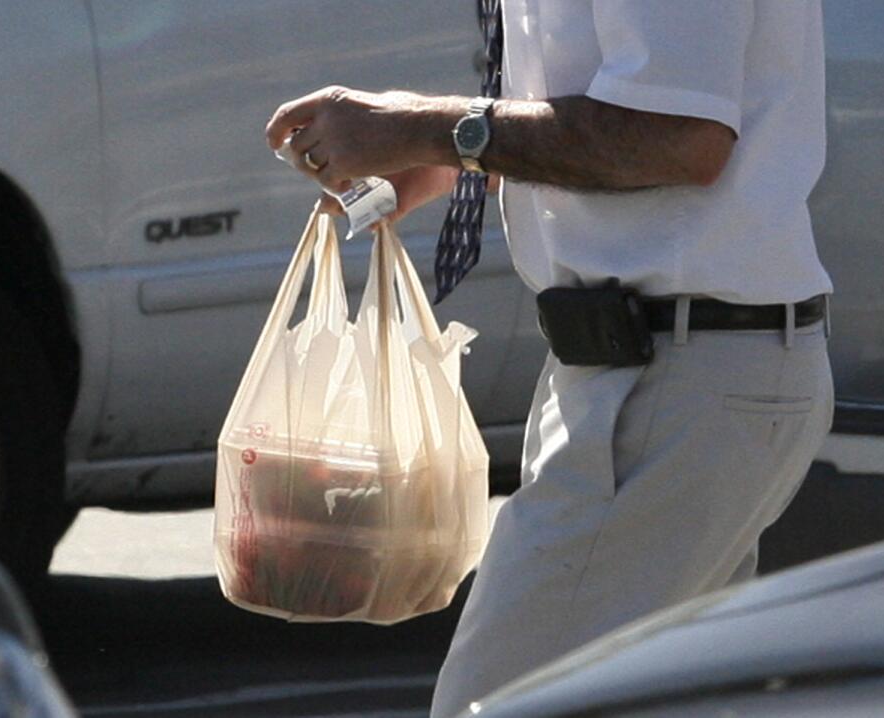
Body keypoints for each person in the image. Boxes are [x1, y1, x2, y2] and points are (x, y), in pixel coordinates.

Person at [265, 2, 834, 715]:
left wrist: (423, 128)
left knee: (497, 703)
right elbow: (602, 109)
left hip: (675, 372)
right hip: (651, 368)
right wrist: (439, 159)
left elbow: (680, 137)